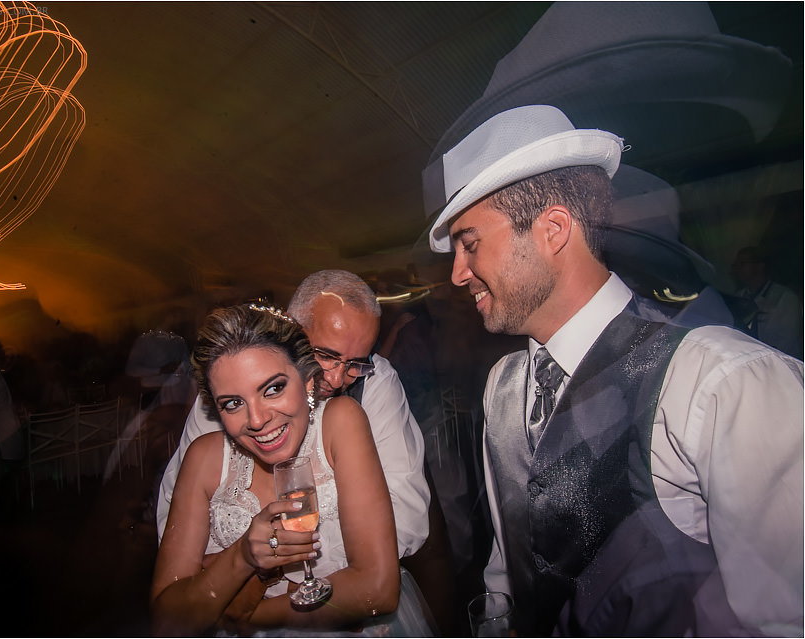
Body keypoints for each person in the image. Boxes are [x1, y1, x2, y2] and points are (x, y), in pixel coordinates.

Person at [424, 104, 804, 636]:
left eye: (469, 244)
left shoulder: (722, 382)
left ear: (553, 229)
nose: (458, 274)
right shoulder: (501, 386)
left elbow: (783, 620)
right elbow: (511, 562)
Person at [149, 304, 433, 636]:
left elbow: (377, 589)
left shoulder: (340, 422)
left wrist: (247, 617)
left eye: (273, 389)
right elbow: (167, 624)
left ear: (309, 382)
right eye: (233, 403)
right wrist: (243, 557)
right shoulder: (202, 458)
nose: (257, 420)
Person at [155, 271, 430, 560]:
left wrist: (284, 564)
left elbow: (407, 520)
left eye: (355, 363)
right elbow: (175, 525)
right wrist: (240, 567)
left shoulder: (374, 381)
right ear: (291, 330)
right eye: (325, 355)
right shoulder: (232, 392)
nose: (336, 379)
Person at [732, 245, 804, 359]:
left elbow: (789, 342)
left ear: (760, 266)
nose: (737, 268)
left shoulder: (785, 298)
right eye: (736, 265)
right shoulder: (737, 298)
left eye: (743, 264)